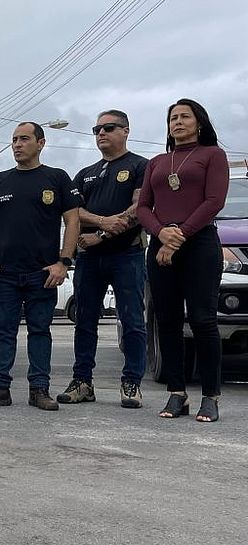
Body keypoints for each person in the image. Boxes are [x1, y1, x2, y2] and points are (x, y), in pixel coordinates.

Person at [0, 122, 81, 410]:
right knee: (3, 333)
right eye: (14, 140)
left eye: (24, 139)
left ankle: (39, 389)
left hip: (43, 274)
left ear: (41, 143)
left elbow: (72, 221)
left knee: (40, 332)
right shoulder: (0, 180)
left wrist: (63, 262)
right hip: (5, 274)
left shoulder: (56, 178)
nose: (17, 145)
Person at [136, 98, 229, 423]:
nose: (177, 122)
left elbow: (214, 201)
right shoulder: (157, 162)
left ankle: (210, 396)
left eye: (184, 117)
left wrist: (179, 236)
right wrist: (162, 234)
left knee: (203, 320)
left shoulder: (213, 155)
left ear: (199, 123)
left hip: (200, 244)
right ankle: (177, 393)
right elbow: (143, 207)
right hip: (160, 245)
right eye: (172, 118)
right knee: (167, 321)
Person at [58, 110, 148, 408]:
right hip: (89, 259)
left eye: (108, 128)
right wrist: (102, 221)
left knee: (132, 320)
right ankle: (82, 382)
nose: (101, 133)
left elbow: (139, 208)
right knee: (84, 321)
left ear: (125, 130)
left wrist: (102, 234)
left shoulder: (140, 166)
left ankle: (131, 383)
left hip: (127, 255)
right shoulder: (85, 173)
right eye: (97, 129)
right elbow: (72, 211)